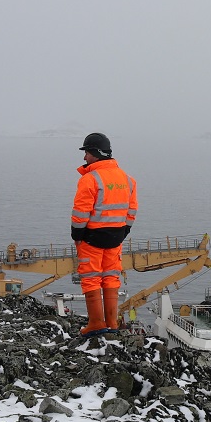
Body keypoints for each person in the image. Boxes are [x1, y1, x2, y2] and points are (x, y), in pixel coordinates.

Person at [70, 132, 138, 337]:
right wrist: (124, 231)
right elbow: (132, 210)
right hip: (116, 237)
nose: (84, 158)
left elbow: (81, 211)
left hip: (92, 237)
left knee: (90, 277)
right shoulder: (128, 179)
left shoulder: (90, 179)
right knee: (111, 277)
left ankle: (96, 323)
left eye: (87, 153)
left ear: (96, 154)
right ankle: (111, 323)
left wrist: (77, 235)